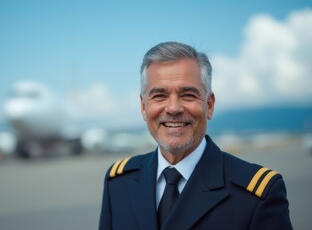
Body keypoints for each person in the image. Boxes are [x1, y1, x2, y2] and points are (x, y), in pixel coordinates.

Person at [99, 41, 292, 230]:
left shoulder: (257, 195)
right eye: (159, 96)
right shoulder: (118, 183)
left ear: (209, 105)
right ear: (143, 107)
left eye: (188, 95)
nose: (173, 108)